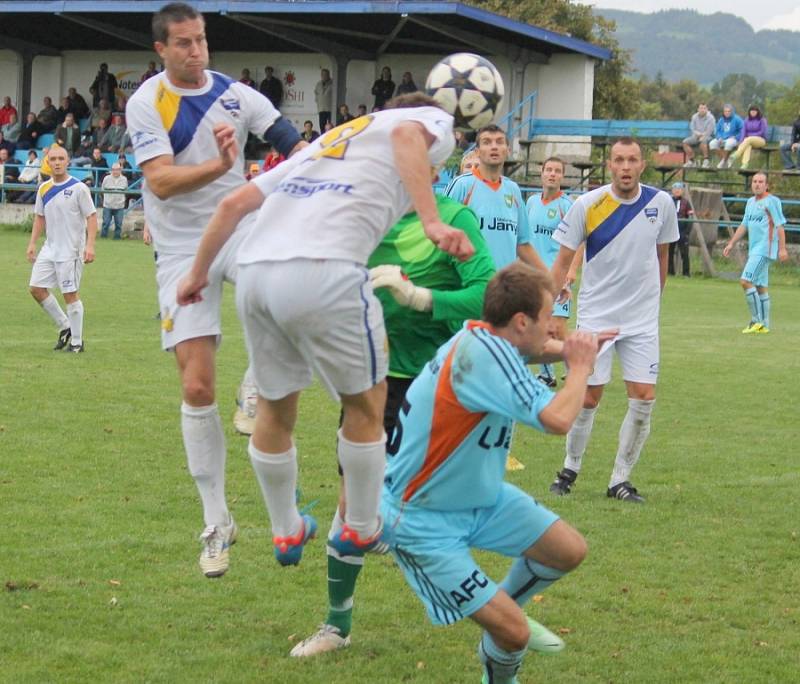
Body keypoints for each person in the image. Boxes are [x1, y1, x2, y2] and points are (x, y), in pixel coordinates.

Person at [175, 93, 473, 579]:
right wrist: (432, 220)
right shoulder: (417, 121)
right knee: (368, 401)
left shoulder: (330, 142)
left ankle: (286, 527)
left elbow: (234, 203)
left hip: (255, 273)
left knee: (274, 406)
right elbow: (405, 135)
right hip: (325, 268)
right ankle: (360, 522)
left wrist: (197, 274)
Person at [125, 1, 303, 578]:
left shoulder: (237, 93)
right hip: (179, 248)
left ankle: (255, 383)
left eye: (200, 40)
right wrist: (225, 163)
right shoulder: (146, 103)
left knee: (277, 287)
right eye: (183, 43)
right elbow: (161, 182)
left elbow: (288, 138)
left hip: (240, 226)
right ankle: (217, 521)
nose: (196, 51)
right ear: (161, 49)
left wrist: (308, 167)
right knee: (197, 386)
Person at [290, 183, 495, 658]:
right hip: (370, 376)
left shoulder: (453, 220)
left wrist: (421, 297)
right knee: (351, 505)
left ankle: (497, 608)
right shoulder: (364, 217)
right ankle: (337, 625)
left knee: (433, 510)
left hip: (436, 382)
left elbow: (488, 294)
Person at [380, 263, 602, 684]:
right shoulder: (486, 359)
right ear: (521, 321)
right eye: (549, 317)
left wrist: (570, 347)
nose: (555, 326)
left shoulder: (481, 337)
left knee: (566, 550)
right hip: (421, 520)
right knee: (514, 635)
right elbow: (557, 418)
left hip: (478, 498)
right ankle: (500, 656)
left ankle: (498, 612)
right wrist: (580, 368)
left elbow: (533, 349)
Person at [549, 137, 678, 503]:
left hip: (641, 319)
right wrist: (548, 307)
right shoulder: (587, 205)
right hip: (597, 314)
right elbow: (562, 261)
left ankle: (620, 479)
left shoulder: (661, 203)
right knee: (589, 397)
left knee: (644, 397)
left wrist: (654, 301)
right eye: (619, 160)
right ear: (609, 165)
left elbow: (662, 256)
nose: (625, 167)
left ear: (642, 164)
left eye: (632, 160)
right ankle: (570, 467)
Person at [445, 125, 546, 274]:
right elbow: (441, 236)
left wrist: (549, 280)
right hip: (469, 285)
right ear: (477, 152)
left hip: (504, 288)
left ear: (508, 151)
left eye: (499, 142)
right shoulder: (462, 185)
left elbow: (523, 244)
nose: (494, 147)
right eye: (487, 142)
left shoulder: (513, 190)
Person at [26, 145, 97, 354]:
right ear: (48, 162)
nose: (57, 162)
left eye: (61, 159)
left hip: (71, 250)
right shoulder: (43, 189)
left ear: (68, 162)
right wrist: (32, 243)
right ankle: (64, 325)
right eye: (53, 159)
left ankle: (77, 342)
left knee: (70, 295)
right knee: (36, 288)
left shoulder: (79, 188)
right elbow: (40, 217)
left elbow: (91, 217)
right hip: (50, 248)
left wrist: (90, 245)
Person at [526, 156, 578, 388]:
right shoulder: (531, 202)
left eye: (557, 171)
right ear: (542, 173)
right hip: (533, 275)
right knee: (537, 325)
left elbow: (580, 242)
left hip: (558, 276)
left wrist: (572, 270)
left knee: (557, 327)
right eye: (548, 170)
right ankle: (547, 374)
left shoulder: (567, 206)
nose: (552, 174)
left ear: (562, 177)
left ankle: (579, 366)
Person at [722, 172, 788, 333]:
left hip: (765, 249)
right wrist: (731, 243)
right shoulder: (750, 202)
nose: (757, 184)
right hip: (755, 249)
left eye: (761, 182)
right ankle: (764, 325)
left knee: (745, 281)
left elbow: (779, 226)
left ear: (766, 185)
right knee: (760, 286)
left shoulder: (772, 202)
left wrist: (782, 248)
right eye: (755, 181)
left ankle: (755, 321)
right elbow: (744, 224)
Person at [668, 182, 694, 277]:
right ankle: (670, 272)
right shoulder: (669, 201)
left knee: (685, 253)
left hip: (682, 231)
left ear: (682, 191)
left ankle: (686, 273)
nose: (677, 191)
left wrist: (687, 231)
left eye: (679, 189)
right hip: (670, 230)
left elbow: (690, 217)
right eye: (675, 189)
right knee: (669, 252)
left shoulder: (686, 202)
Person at [730, 106, 768, 170]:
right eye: (751, 111)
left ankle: (737, 153)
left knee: (748, 139)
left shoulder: (762, 120)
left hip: (761, 140)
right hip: (749, 141)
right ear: (749, 112)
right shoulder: (746, 120)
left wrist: (751, 135)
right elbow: (743, 131)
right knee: (748, 145)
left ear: (757, 112)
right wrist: (741, 141)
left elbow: (762, 132)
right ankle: (745, 164)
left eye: (754, 111)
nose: (753, 112)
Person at [709, 104, 743, 169]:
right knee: (712, 144)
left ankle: (723, 162)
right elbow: (717, 130)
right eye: (725, 111)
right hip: (722, 138)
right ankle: (725, 161)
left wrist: (736, 137)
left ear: (732, 111)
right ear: (723, 112)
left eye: (728, 111)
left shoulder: (737, 119)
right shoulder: (721, 120)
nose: (727, 113)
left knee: (729, 143)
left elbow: (743, 130)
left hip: (733, 139)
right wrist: (719, 137)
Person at [100, 162, 129, 239]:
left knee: (119, 224)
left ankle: (117, 238)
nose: (115, 171)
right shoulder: (106, 178)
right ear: (111, 170)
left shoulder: (124, 179)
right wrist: (107, 199)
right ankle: (103, 237)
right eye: (113, 170)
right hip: (108, 205)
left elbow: (126, 191)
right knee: (106, 223)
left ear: (120, 170)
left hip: (119, 206)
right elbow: (102, 190)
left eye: (117, 170)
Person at [682, 103, 715, 168]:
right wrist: (697, 133)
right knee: (685, 142)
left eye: (704, 108)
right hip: (696, 136)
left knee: (703, 140)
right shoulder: (694, 116)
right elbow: (692, 128)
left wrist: (702, 135)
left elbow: (710, 131)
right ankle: (692, 161)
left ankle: (706, 161)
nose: (702, 110)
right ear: (698, 109)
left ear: (707, 109)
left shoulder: (711, 118)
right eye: (701, 108)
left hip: (708, 136)